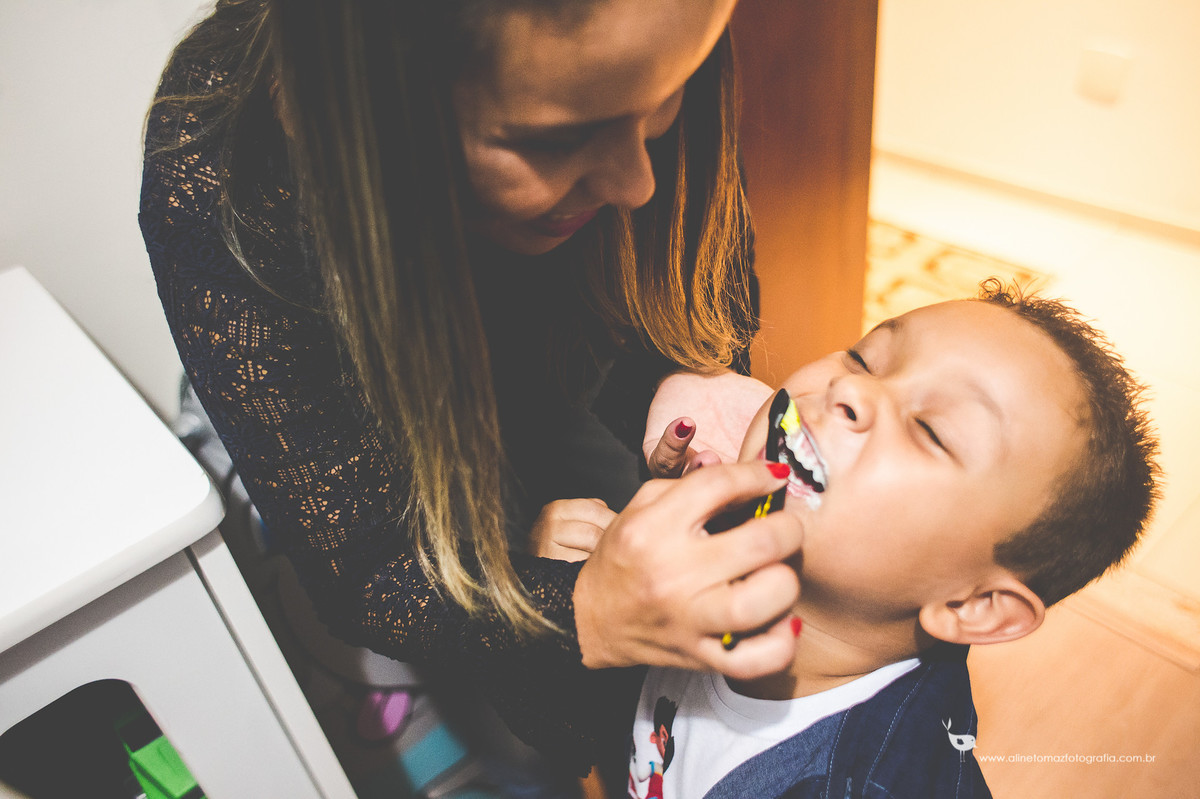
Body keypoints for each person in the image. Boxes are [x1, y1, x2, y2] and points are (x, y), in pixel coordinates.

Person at [138, 0, 806, 783]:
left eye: (666, 98)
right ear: (368, 108)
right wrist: (571, 608)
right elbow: (370, 569)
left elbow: (669, 268)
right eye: (554, 139)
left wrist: (676, 372)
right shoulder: (227, 170)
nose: (637, 183)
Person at [541, 283, 1159, 797]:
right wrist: (558, 609)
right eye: (864, 358)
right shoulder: (698, 539)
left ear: (974, 605)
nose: (850, 389)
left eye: (931, 430)